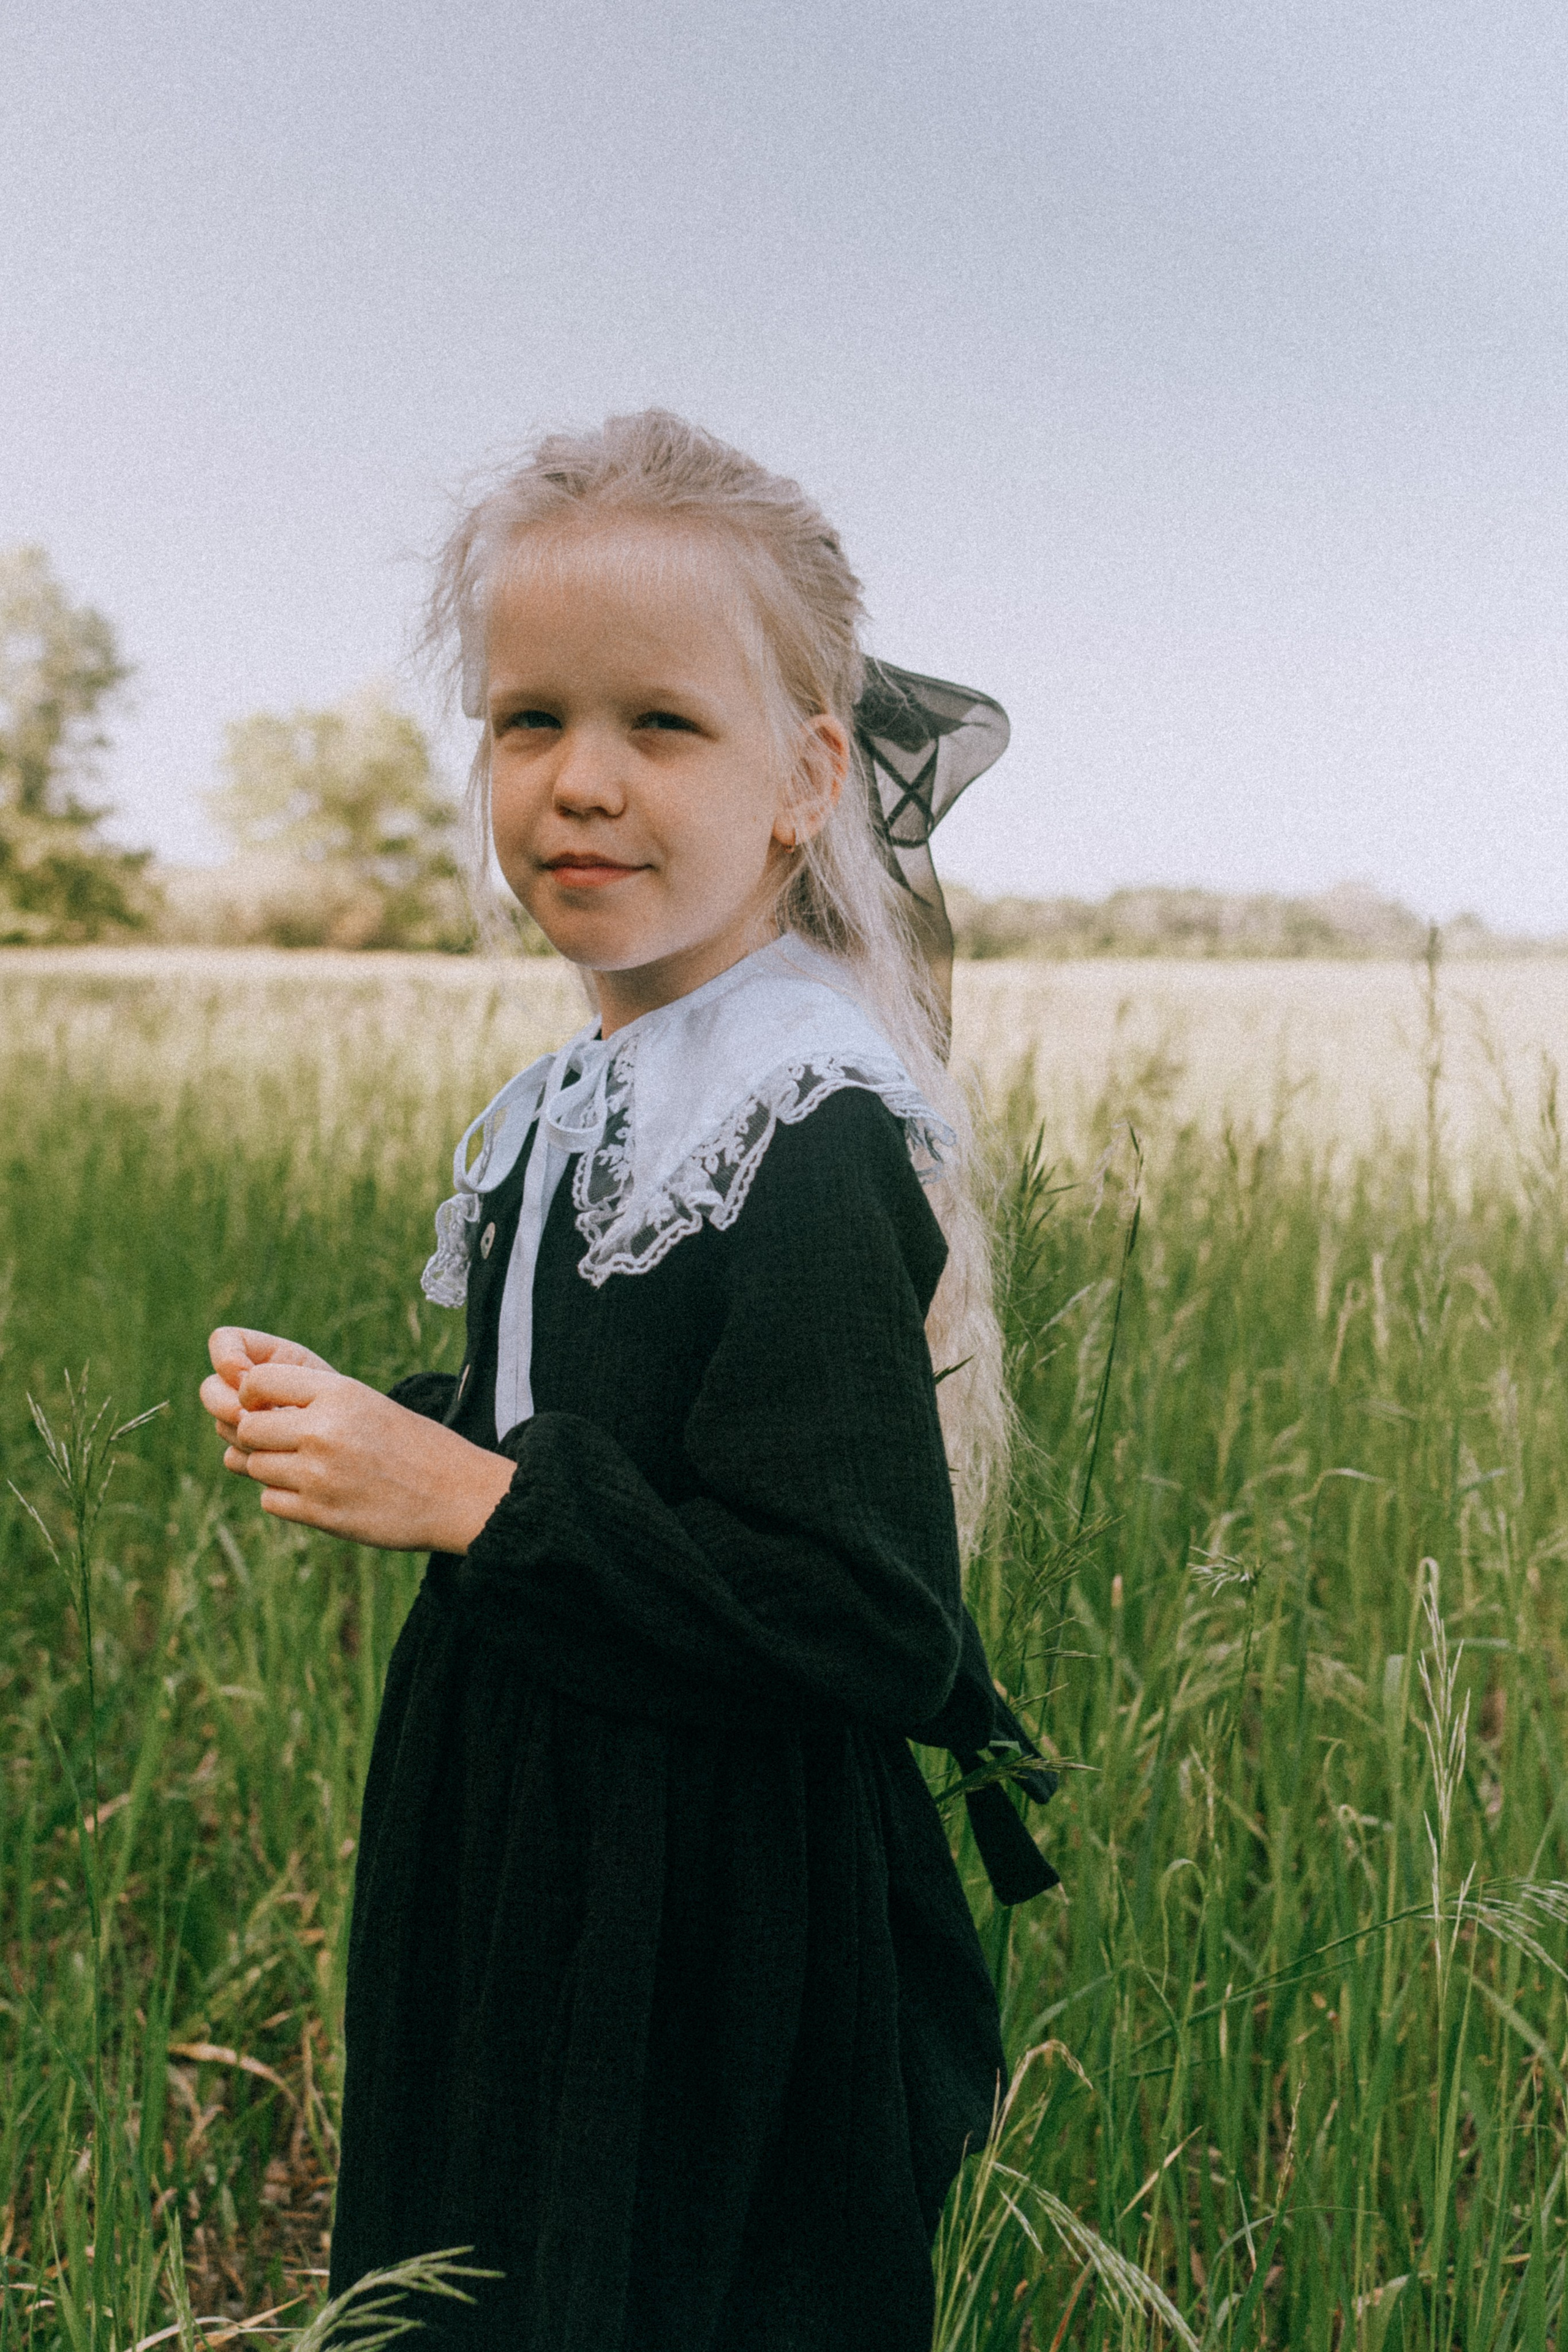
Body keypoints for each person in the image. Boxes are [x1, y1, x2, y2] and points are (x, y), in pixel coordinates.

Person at [198, 411, 1057, 2352]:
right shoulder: (575, 1101)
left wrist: (472, 1499)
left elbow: (863, 1614)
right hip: (537, 1828)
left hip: (708, 1907)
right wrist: (400, 1420)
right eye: (527, 721)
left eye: (661, 725)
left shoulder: (802, 1118)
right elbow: (607, 1425)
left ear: (803, 777)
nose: (580, 783)